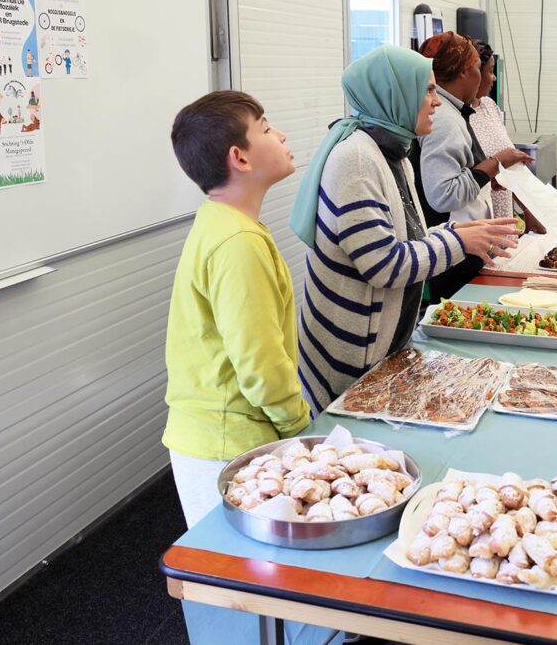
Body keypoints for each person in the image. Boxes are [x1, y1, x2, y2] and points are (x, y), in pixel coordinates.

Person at [290, 45, 520, 415]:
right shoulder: (356, 161)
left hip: (380, 347)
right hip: (349, 357)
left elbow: (405, 239)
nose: (437, 102)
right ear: (396, 94)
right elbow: (384, 264)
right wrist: (458, 239)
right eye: (427, 91)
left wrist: (460, 231)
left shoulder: (391, 151)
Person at [163, 90, 309, 529]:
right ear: (239, 159)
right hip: (226, 441)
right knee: (231, 583)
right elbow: (260, 365)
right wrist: (301, 429)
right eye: (265, 128)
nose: (280, 135)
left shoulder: (223, 221)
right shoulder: (238, 242)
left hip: (221, 435)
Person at [411, 31, 532, 302]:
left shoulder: (455, 112)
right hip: (456, 247)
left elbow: (458, 172)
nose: (484, 77)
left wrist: (487, 180)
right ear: (465, 72)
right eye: (479, 68)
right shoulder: (445, 119)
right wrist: (495, 164)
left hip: (463, 241)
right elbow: (443, 195)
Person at [468, 38, 515, 219]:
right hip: (477, 216)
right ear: (474, 74)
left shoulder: (489, 105)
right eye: (490, 71)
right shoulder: (457, 116)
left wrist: (528, 211)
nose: (493, 77)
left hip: (503, 209)